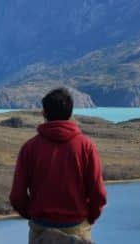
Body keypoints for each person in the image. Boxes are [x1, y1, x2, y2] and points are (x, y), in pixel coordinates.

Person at [10, 88, 107, 243]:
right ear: (70, 113)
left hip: (40, 229)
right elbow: (99, 194)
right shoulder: (86, 146)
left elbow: (17, 196)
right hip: (77, 228)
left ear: (44, 113)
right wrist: (88, 218)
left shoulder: (29, 148)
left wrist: (34, 215)